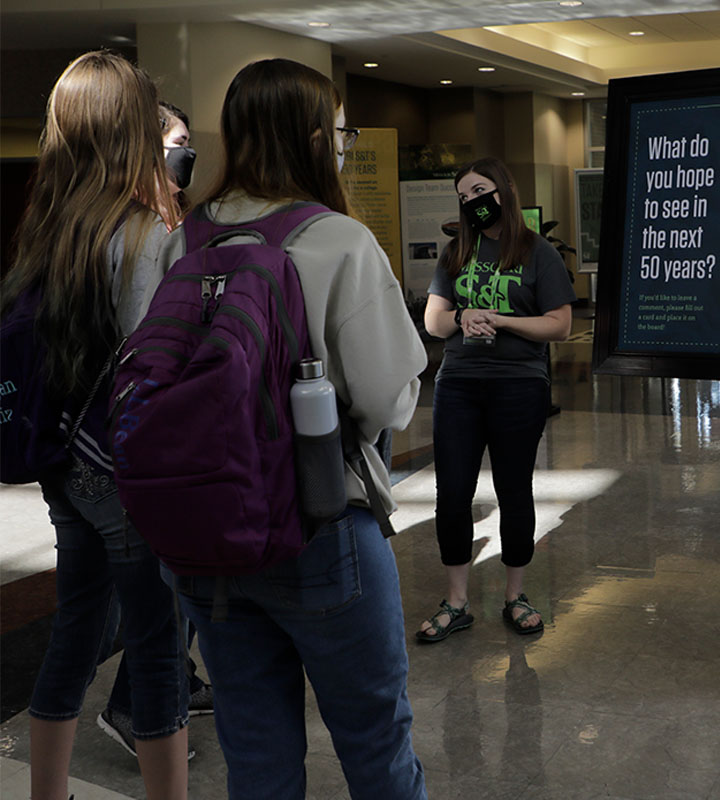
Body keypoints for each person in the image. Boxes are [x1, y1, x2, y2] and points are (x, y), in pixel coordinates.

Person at [158, 58, 428, 800]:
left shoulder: (179, 242)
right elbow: (386, 403)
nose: (342, 146)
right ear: (313, 137)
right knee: (377, 748)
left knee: (257, 754)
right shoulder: (337, 240)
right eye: (339, 132)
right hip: (321, 525)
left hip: (204, 535)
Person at [1, 50, 189, 800]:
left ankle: (49, 793)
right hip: (127, 470)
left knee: (76, 628)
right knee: (157, 642)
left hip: (61, 463)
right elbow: (159, 370)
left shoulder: (48, 230)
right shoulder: (145, 235)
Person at [418, 157, 576, 643]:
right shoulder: (455, 253)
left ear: (504, 192)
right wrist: (463, 315)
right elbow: (433, 322)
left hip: (518, 385)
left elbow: (560, 325)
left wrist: (502, 320)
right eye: (465, 197)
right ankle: (458, 600)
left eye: (480, 191)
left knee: (513, 490)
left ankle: (516, 595)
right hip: (459, 384)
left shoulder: (537, 252)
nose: (474, 203)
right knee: (453, 493)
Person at [98, 98, 213, 760]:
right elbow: (151, 347)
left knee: (132, 595)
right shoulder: (149, 234)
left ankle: (158, 692)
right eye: (175, 144)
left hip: (109, 440)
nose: (185, 158)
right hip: (146, 439)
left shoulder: (109, 226)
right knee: (165, 588)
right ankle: (140, 710)